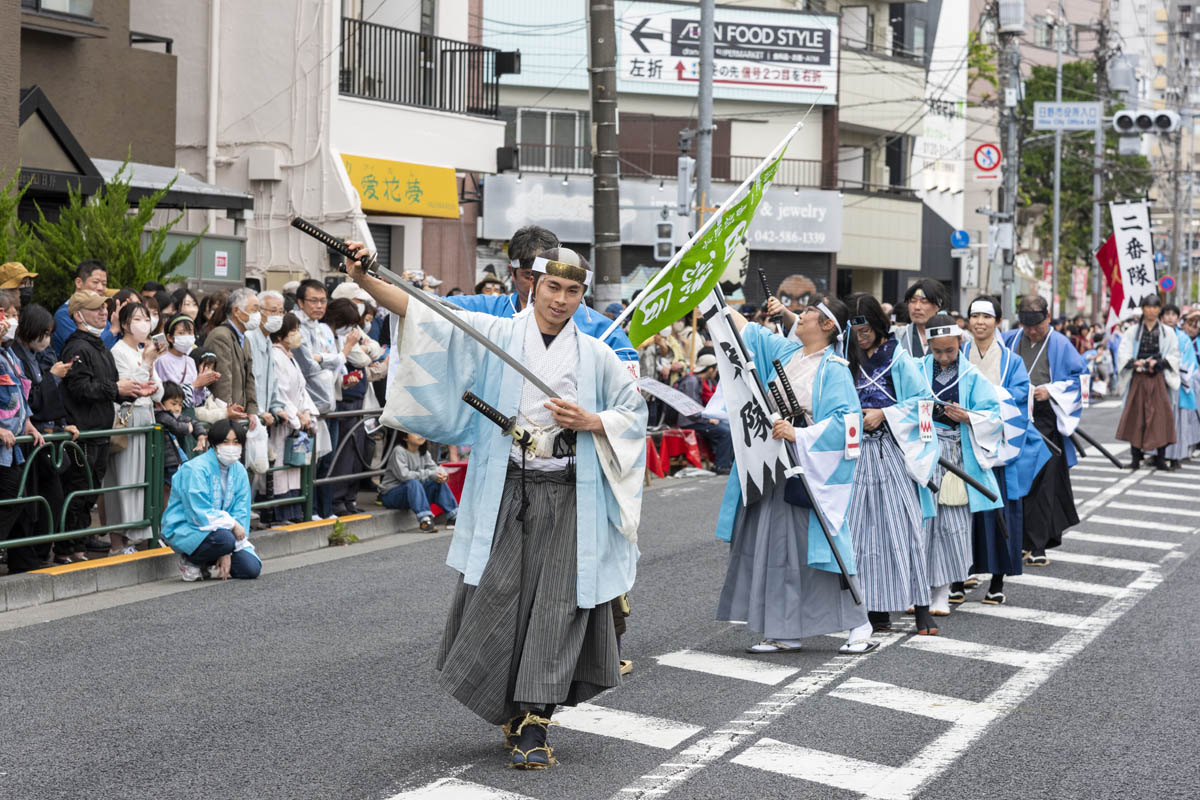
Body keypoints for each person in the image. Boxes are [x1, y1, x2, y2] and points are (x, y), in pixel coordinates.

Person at [346, 240, 646, 770]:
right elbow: (424, 313)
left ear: (582, 294)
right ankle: (504, 703)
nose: (560, 299)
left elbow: (633, 413)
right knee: (498, 595)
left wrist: (591, 421)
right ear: (533, 283)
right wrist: (366, 277)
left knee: (558, 607)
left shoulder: (597, 352)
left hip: (571, 493)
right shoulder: (500, 335)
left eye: (572, 290)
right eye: (552, 286)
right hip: (509, 489)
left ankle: (535, 719)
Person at [715, 295, 875, 655]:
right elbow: (748, 332)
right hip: (777, 463)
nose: (798, 317)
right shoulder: (787, 353)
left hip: (810, 466)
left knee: (824, 547)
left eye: (808, 314)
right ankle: (785, 629)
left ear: (828, 326)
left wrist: (800, 434)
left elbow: (848, 424)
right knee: (777, 550)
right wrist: (714, 299)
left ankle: (859, 621)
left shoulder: (833, 369)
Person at [842, 292, 941, 636]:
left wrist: (885, 413)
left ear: (879, 323)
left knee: (906, 529)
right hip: (855, 456)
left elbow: (925, 404)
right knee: (861, 535)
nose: (860, 337)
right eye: (854, 330)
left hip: (892, 452)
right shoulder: (846, 356)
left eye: (866, 329)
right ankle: (874, 609)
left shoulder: (898, 357)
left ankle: (922, 608)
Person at [445, 225, 639, 365]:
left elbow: (626, 377)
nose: (535, 286)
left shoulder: (598, 327)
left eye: (552, 282)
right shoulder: (486, 311)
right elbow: (430, 308)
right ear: (512, 272)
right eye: (529, 276)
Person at [961, 296, 1048, 605]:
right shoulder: (959, 354)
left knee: (998, 512)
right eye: (975, 316)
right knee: (960, 510)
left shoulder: (1012, 361)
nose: (980, 322)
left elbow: (1020, 398)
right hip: (964, 441)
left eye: (987, 317)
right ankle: (958, 575)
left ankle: (997, 581)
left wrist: (981, 404)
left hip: (999, 444)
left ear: (998, 322)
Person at [59, 291, 155, 562]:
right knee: (77, 493)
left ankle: (76, 546)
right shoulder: (77, 347)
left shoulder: (98, 344)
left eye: (104, 308)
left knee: (88, 493)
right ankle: (67, 548)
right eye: (95, 309)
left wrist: (133, 390)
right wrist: (115, 387)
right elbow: (79, 388)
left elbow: (110, 388)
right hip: (86, 432)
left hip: (102, 430)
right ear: (78, 315)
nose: (103, 312)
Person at [919, 315, 1004, 616]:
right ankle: (917, 592)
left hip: (955, 453)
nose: (943, 357)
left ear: (960, 344)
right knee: (920, 523)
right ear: (928, 346)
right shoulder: (917, 370)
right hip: (922, 453)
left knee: (951, 525)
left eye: (949, 351)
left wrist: (968, 417)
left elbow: (994, 416)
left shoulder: (972, 376)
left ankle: (942, 592)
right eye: (937, 351)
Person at [1002, 295, 1085, 566]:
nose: (1031, 331)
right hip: (1012, 416)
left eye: (1036, 325)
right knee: (1015, 480)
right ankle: (1017, 541)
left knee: (1044, 482)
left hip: (1045, 418)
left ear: (1047, 318)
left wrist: (1050, 390)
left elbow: (1080, 380)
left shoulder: (1060, 342)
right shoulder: (1010, 339)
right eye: (1027, 325)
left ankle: (1038, 545)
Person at [8, 304, 78, 568]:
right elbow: (31, 399)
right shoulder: (16, 356)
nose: (48, 340)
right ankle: (26, 559)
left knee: (51, 501)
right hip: (27, 441)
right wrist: (51, 377)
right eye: (44, 334)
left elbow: (46, 399)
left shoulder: (36, 356)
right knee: (29, 505)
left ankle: (39, 555)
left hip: (43, 439)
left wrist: (63, 424)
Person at [161, 418, 262, 582]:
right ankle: (191, 560)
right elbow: (198, 513)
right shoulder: (195, 469)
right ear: (214, 443)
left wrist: (228, 550)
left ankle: (209, 559)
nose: (231, 447)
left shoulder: (240, 470)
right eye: (225, 441)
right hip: (187, 527)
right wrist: (232, 527)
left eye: (236, 442)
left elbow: (241, 511)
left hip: (224, 534)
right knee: (224, 540)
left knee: (250, 568)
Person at [106, 301, 165, 554]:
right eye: (139, 318)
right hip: (127, 419)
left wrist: (150, 363)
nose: (145, 322)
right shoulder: (118, 351)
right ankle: (118, 543)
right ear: (127, 324)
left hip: (147, 417)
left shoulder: (145, 350)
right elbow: (130, 390)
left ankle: (142, 535)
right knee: (124, 480)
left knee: (144, 479)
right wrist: (146, 364)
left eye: (148, 317)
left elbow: (158, 392)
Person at [0, 298, 48, 573]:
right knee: (11, 492)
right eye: (6, 316)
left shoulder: (9, 353)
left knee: (15, 495)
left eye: (13, 315)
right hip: (4, 441)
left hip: (13, 444)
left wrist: (28, 424)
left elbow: (19, 390)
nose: (10, 322)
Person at [292, 279, 342, 520]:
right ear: (300, 302)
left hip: (327, 402)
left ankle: (325, 509)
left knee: (326, 461)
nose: (319, 305)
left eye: (323, 300)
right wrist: (329, 359)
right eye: (314, 300)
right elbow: (309, 366)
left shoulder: (321, 327)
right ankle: (309, 510)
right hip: (307, 406)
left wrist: (324, 358)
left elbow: (334, 360)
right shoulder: (296, 326)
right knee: (308, 460)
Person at [1116, 294, 1180, 470]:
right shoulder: (1132, 331)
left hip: (1158, 379)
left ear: (1159, 309)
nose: (1151, 310)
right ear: (1143, 309)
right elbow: (1123, 354)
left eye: (1155, 307)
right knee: (1136, 418)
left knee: (1161, 418)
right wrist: (1134, 362)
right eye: (1148, 307)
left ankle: (1161, 459)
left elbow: (1174, 355)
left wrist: (1158, 362)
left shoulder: (1168, 332)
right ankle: (1136, 458)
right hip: (1138, 379)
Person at [268, 312, 318, 523]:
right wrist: (296, 414)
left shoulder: (290, 357)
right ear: (281, 335)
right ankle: (278, 514)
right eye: (294, 331)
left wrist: (306, 412)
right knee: (280, 468)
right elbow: (279, 390)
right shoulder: (275, 356)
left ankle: (294, 512)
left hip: (296, 421)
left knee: (294, 468)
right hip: (284, 421)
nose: (298, 335)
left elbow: (301, 390)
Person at [378, 431, 457, 530]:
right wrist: (430, 474)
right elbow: (405, 476)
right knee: (413, 482)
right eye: (415, 433)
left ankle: (453, 516)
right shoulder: (399, 451)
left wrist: (443, 475)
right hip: (391, 495)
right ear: (405, 437)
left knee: (437, 482)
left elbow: (434, 468)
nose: (421, 435)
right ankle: (424, 519)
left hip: (413, 493)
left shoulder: (424, 452)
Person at [673, 353, 733, 474]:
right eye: (715, 369)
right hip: (690, 421)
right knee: (726, 431)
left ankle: (725, 461)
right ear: (710, 369)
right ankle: (721, 465)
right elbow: (690, 411)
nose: (716, 372)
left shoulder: (696, 380)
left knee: (727, 426)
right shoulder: (691, 381)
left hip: (696, 419)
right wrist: (708, 419)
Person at [52, 261, 118, 355]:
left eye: (104, 284)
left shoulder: (101, 312)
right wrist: (114, 330)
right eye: (95, 282)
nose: (100, 288)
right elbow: (88, 349)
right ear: (78, 282)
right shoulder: (64, 315)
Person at [1160, 304, 1197, 469]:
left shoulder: (1183, 338)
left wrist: (1177, 374)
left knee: (1177, 423)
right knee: (1158, 422)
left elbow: (1188, 364)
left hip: (1178, 385)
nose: (1170, 318)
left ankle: (1175, 456)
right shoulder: (1157, 335)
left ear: (1178, 317)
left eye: (1173, 314)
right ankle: (1157, 455)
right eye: (1166, 314)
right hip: (1159, 383)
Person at [156, 380, 205, 504]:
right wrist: (187, 428)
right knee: (168, 491)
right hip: (166, 462)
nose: (177, 408)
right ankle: (165, 520)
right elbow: (176, 426)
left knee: (174, 490)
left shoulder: (174, 415)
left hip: (174, 460)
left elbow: (192, 421)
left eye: (180, 404)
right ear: (160, 403)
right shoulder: (161, 415)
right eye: (173, 403)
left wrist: (201, 435)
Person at [155, 315, 219, 408]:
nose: (187, 337)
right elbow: (171, 394)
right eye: (181, 333)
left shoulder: (190, 361)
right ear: (170, 337)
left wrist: (202, 384)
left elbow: (197, 398)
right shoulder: (162, 360)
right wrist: (197, 383)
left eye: (190, 333)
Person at [897, 279, 950, 358]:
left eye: (924, 301)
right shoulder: (899, 335)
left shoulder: (953, 335)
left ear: (938, 306)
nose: (917, 307)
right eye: (913, 301)